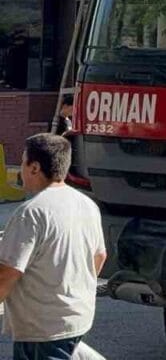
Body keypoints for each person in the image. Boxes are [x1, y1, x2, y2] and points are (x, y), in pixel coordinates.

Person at [0, 134, 106, 359]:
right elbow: (99, 256)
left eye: (22, 162)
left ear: (35, 167)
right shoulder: (87, 205)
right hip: (77, 319)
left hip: (43, 329)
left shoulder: (31, 213)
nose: (20, 169)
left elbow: (8, 273)